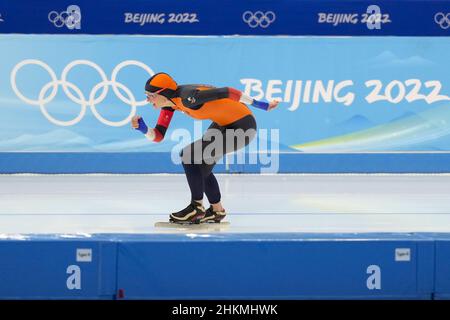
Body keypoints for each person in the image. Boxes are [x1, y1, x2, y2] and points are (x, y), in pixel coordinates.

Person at [132, 72, 279, 224]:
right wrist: (143, 128)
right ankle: (217, 210)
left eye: (150, 95)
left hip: (243, 126)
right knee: (201, 166)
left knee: (189, 155)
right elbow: (158, 136)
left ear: (163, 93)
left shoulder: (188, 97)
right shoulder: (170, 104)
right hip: (224, 123)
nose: (147, 100)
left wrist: (263, 105)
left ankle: (196, 207)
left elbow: (228, 91)